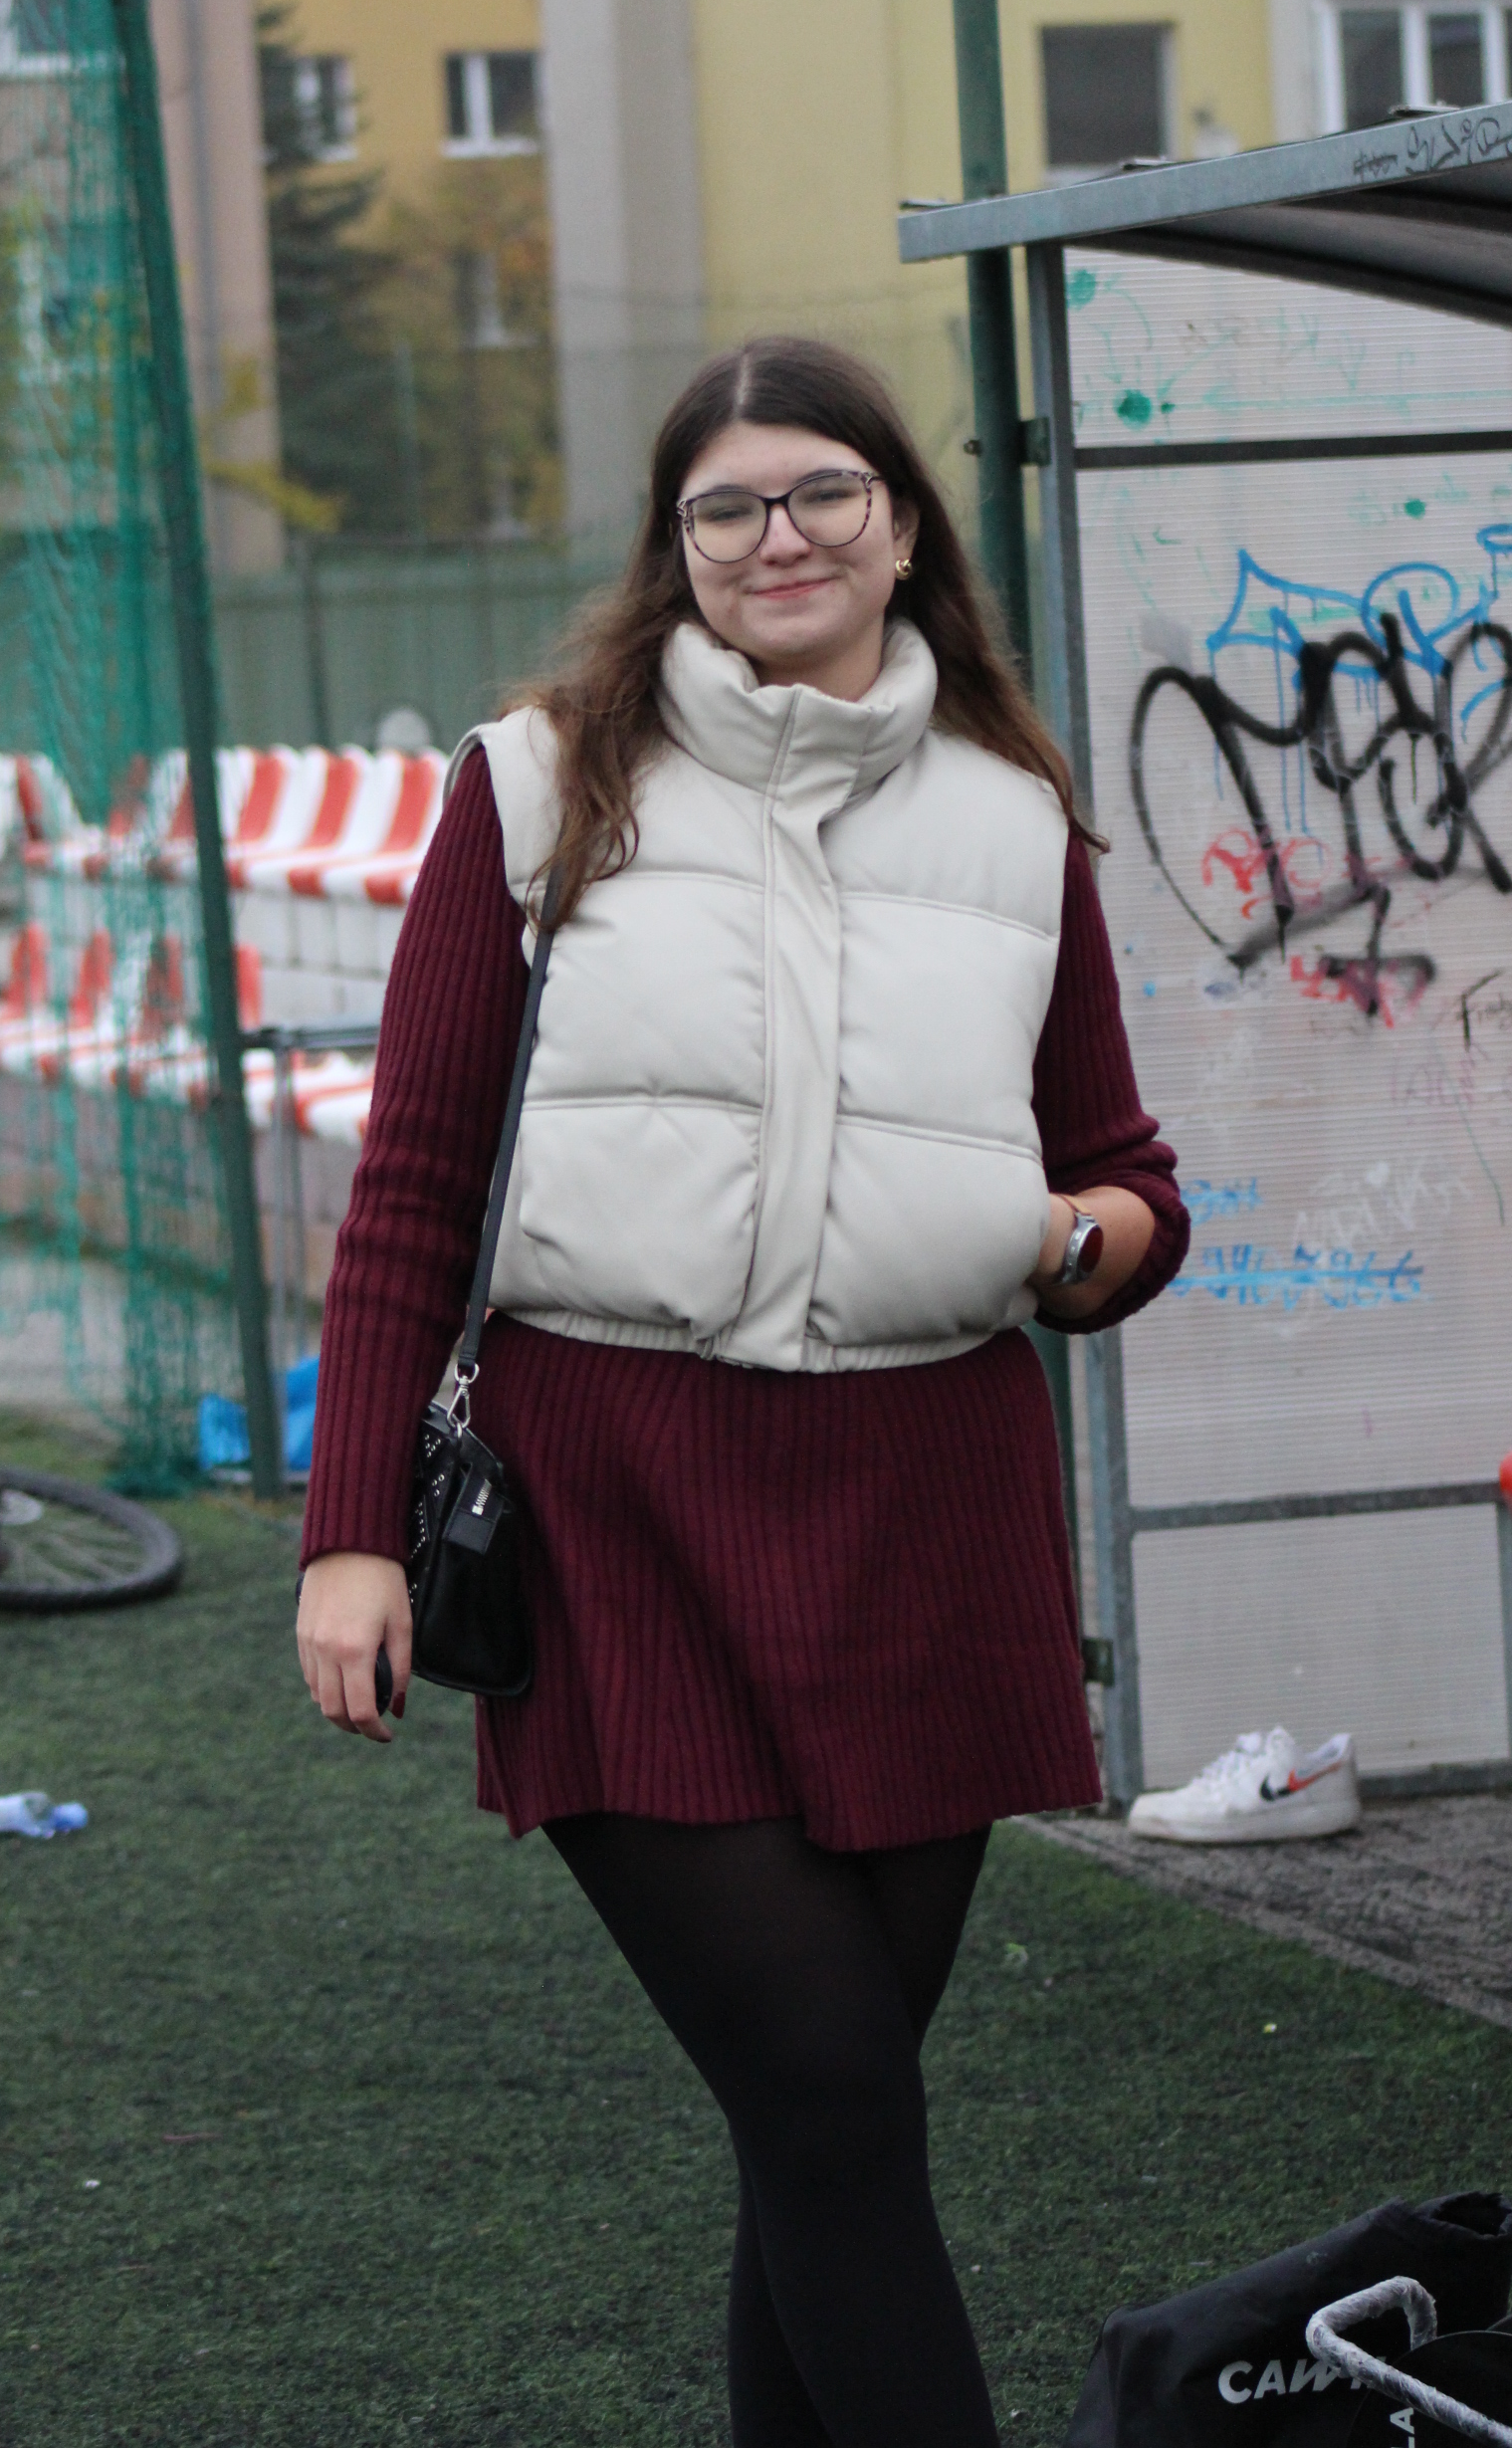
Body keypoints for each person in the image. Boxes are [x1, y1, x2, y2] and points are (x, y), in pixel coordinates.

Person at [297, 335, 1188, 2448]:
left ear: (903, 523)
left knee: (826, 2117)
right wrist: (348, 1538)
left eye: (822, 493)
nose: (778, 537)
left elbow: (1126, 1177)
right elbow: (413, 1184)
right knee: (827, 2092)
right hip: (617, 1503)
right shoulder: (540, 787)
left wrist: (1079, 1245)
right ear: (673, 543)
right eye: (728, 505)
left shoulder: (1014, 817)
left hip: (933, 1506)